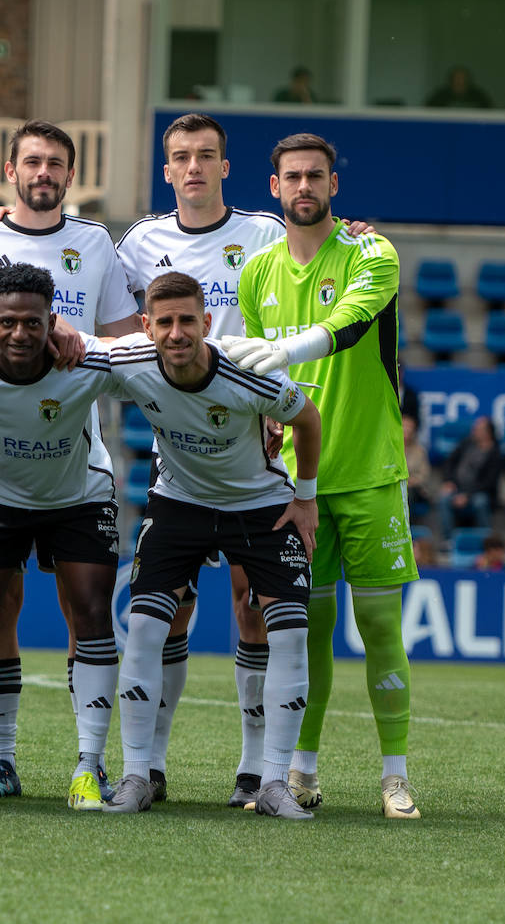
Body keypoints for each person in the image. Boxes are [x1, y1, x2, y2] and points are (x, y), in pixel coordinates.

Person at [0, 119, 139, 800]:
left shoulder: (96, 242)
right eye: (32, 161)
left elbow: (131, 341)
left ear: (70, 175)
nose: (43, 171)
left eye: (55, 163)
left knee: (88, 610)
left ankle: (89, 761)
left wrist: (74, 332)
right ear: (10, 171)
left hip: (81, 463)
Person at [223, 131, 422, 819]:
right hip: (295, 484)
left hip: (367, 469)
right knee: (305, 628)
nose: (304, 186)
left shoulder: (371, 250)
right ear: (274, 187)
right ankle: (300, 771)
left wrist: (282, 348)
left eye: (316, 175)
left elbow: (353, 320)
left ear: (334, 183)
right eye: (292, 177)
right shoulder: (256, 274)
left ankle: (395, 776)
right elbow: (258, 378)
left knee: (379, 625)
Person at [115, 112, 290, 808]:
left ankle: (252, 769)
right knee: (170, 613)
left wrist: (351, 234)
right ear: (167, 170)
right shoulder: (139, 243)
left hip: (253, 456)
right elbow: (107, 309)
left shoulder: (264, 235)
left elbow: (299, 303)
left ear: (225, 166)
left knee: (253, 611)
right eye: (181, 156)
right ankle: (149, 765)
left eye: (206, 155)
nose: (193, 167)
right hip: (180, 461)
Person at [106, 271, 322, 817]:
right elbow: (76, 348)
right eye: (165, 322)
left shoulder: (249, 377)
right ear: (146, 328)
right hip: (180, 505)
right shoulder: (129, 363)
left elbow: (308, 418)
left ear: (207, 322)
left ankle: (272, 781)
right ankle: (135, 775)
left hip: (261, 507)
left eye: (187, 321)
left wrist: (306, 497)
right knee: (146, 629)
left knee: (291, 636)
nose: (176, 333)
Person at [436, 416, 503, 539]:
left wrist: (467, 495)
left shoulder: (495, 452)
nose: (474, 431)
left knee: (480, 502)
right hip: (457, 488)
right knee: (444, 498)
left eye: (478, 429)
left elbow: (489, 482)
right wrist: (449, 481)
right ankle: (448, 540)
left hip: (479, 492)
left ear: (488, 432)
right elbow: (449, 462)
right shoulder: (466, 443)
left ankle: (485, 540)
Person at [403, 414, 433, 524]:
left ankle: (407, 524)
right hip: (395, 487)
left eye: (410, 427)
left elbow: (424, 475)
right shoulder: (391, 449)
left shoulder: (420, 451)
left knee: (407, 492)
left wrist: (410, 481)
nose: (407, 430)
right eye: (404, 426)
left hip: (414, 488)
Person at [426, 66, 492, 109]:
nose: (460, 82)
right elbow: (427, 111)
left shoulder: (478, 96)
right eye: (457, 79)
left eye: (463, 79)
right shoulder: (440, 96)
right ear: (451, 81)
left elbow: (491, 112)